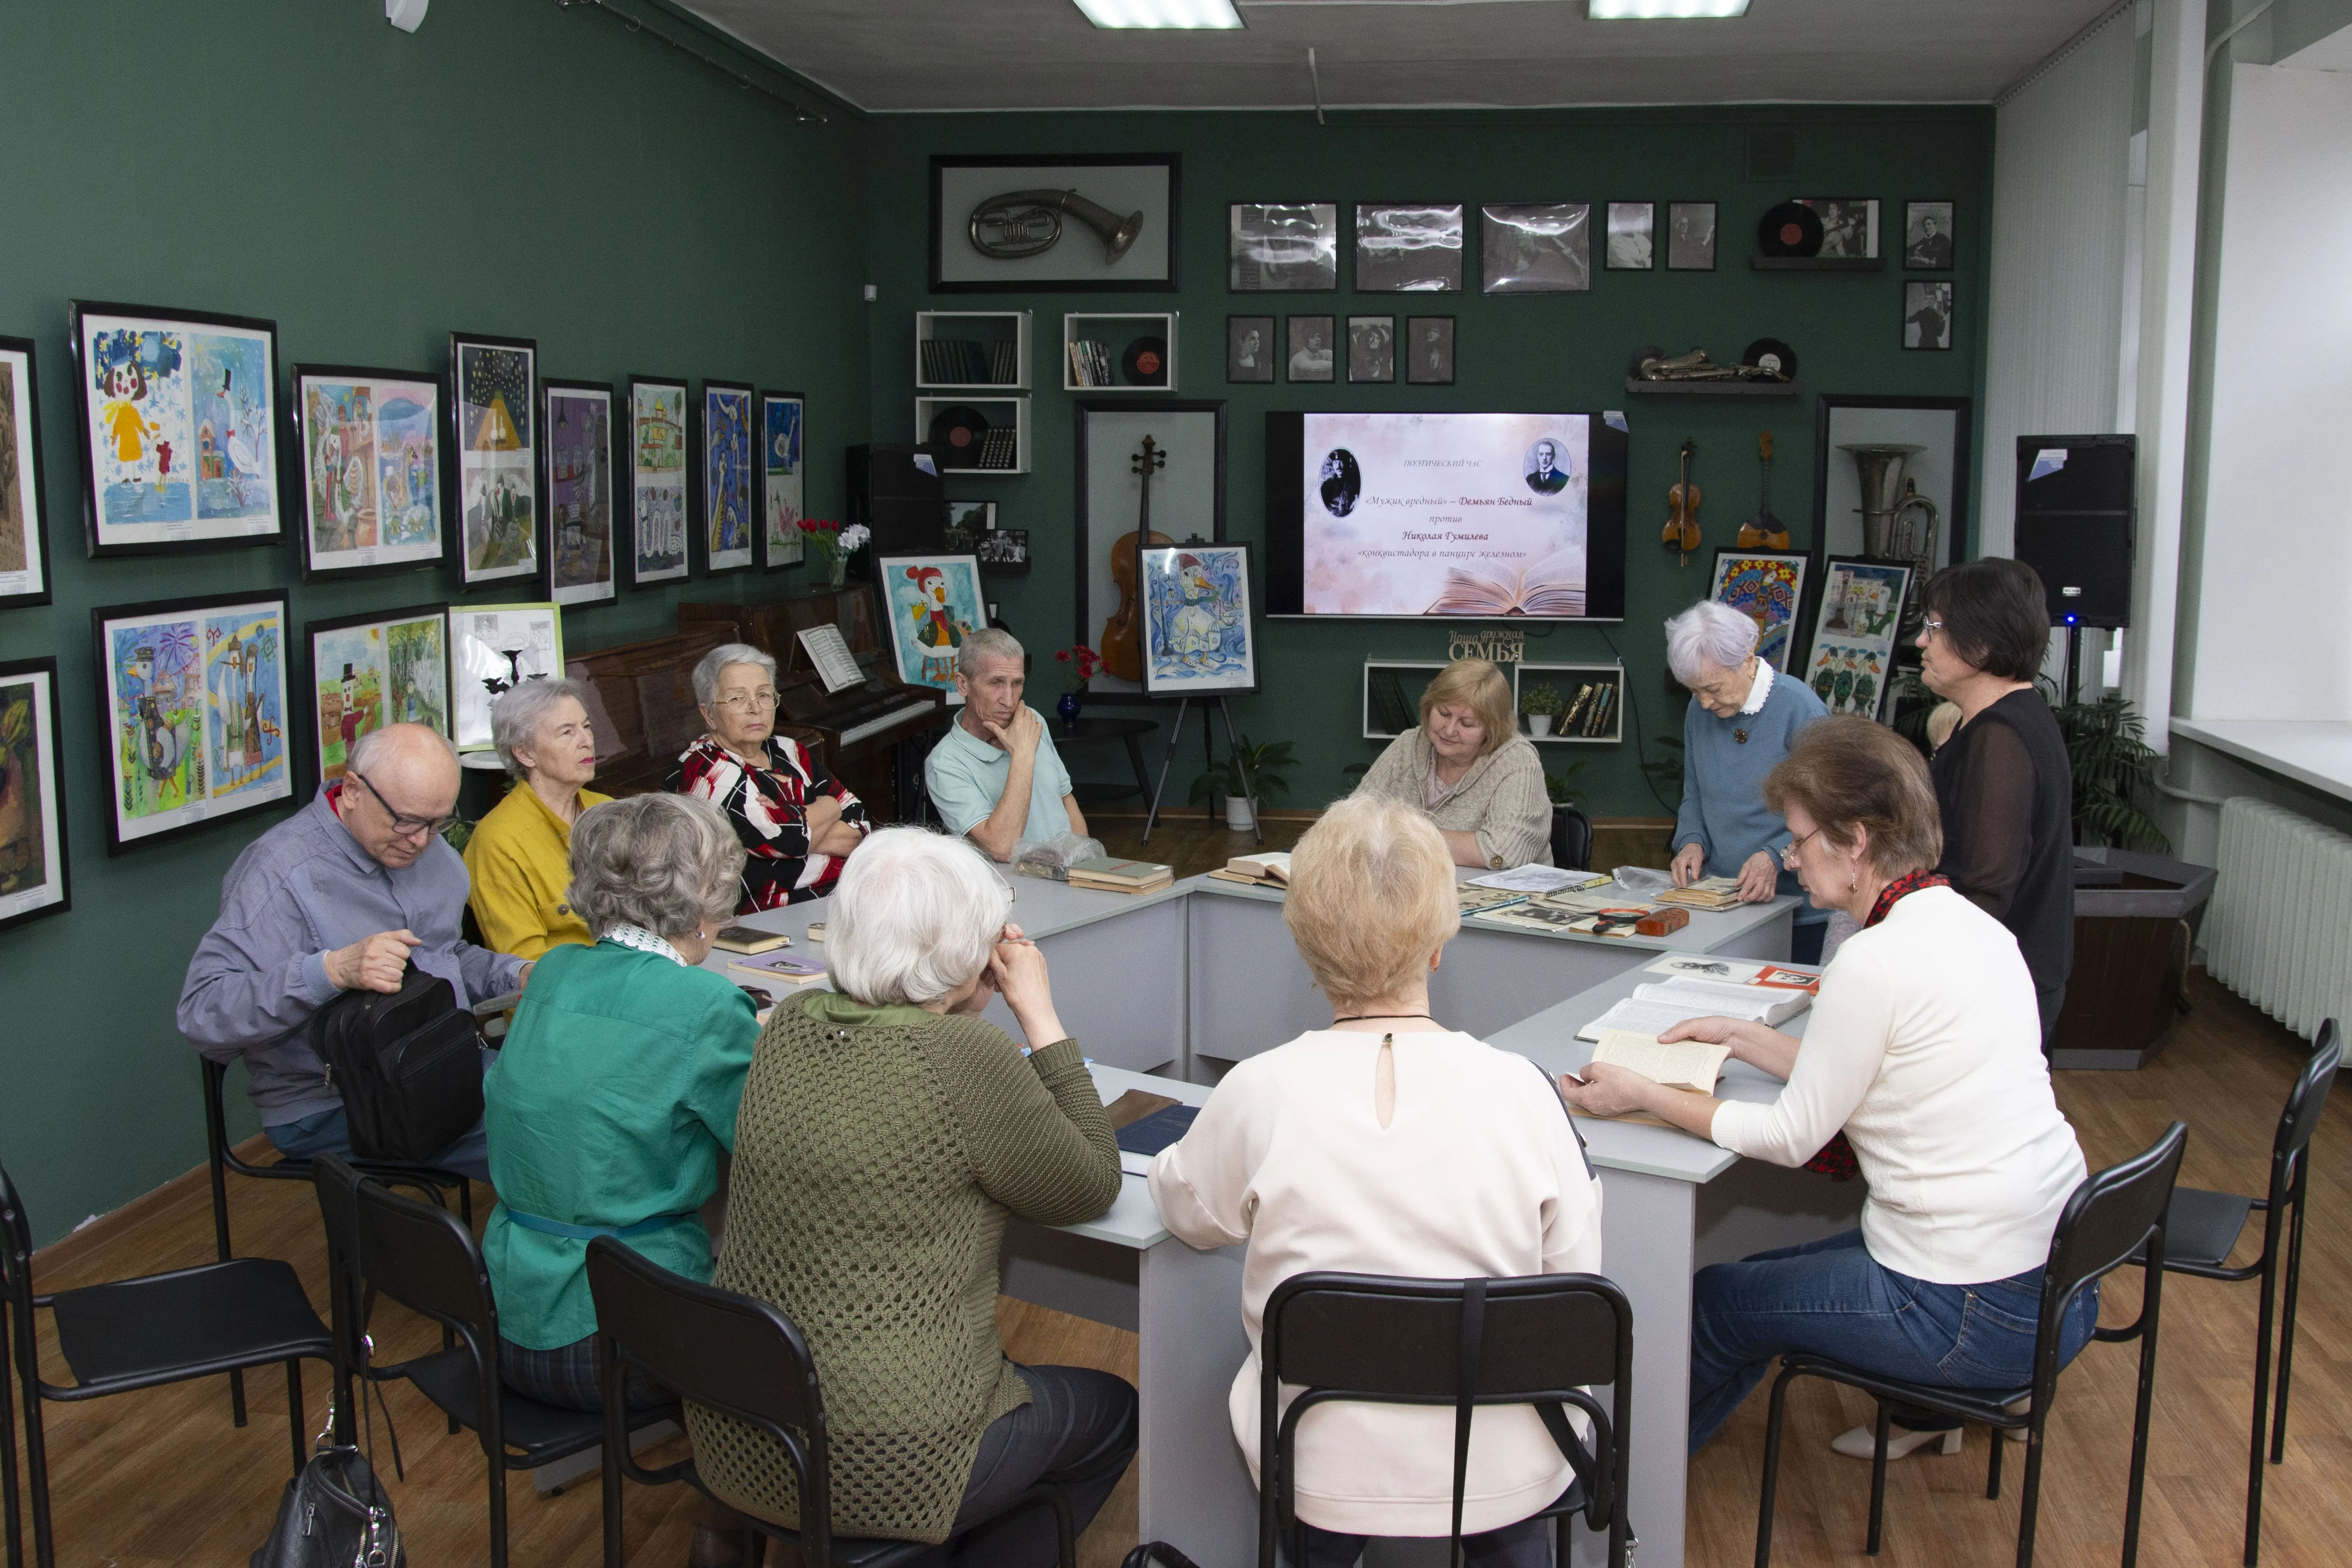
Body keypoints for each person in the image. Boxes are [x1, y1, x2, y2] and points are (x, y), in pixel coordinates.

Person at [1559, 719, 2093, 1461]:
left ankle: (1616, 1484)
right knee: (1754, 1278)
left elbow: (1790, 1136)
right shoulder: (1974, 929)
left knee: (1718, 1303)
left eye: (1800, 840)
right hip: (2058, 1286)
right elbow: (1890, 1069)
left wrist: (1644, 1094)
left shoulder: (1872, 961)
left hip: (1966, 1309)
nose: (1790, 859)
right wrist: (1742, 1035)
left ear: (1857, 841)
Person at [1151, 796, 1603, 1565]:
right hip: (1504, 1459)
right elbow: (1573, 1283)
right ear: (1438, 946)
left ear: (1307, 947)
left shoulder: (1260, 1089)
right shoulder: (1526, 1091)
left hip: (1320, 1462)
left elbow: (1188, 1210)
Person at [692, 828, 1132, 1564]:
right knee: (1115, 1413)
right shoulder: (966, 1055)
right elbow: (1091, 1181)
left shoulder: (787, 1026)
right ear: (964, 953)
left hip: (746, 1434)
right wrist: (1038, 1015)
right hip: (890, 1459)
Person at [482, 792, 752, 1566]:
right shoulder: (704, 1001)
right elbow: (764, 1146)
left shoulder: (556, 972)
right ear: (704, 895)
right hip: (611, 1338)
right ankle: (727, 1532)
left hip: (506, 1312)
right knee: (792, 1341)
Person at [178, 723, 529, 1182]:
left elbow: (444, 955)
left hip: (440, 1063)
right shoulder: (279, 873)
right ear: (352, 790)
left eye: (437, 821)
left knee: (572, 1102)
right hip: (335, 1100)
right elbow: (202, 1015)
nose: (422, 841)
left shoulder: (429, 850)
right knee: (541, 1141)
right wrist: (331, 971)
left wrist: (518, 974)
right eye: (406, 821)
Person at [1916, 558, 2075, 1039]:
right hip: (1999, 978)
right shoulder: (2005, 718)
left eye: (1934, 627)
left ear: (1981, 645)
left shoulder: (2001, 735)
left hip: (1995, 991)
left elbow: (1983, 890)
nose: (1921, 641)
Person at [1664, 600, 1831, 962]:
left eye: (1713, 688)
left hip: (1799, 909)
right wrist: (1691, 841)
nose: (1705, 703)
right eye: (1695, 691)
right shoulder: (1700, 711)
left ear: (1748, 661)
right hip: (1724, 902)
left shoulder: (1800, 709)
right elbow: (1694, 790)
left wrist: (1775, 856)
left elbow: (1828, 810)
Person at [671, 642, 868, 910]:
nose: (755, 708)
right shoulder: (707, 769)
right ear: (708, 714)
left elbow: (859, 828)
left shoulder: (788, 750)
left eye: (764, 695)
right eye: (737, 699)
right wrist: (830, 806)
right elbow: (788, 840)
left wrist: (790, 820)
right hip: (763, 916)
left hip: (839, 895)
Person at [1352, 658, 1551, 870]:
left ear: (1491, 730)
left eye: (1467, 723)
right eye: (1444, 713)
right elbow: (1354, 819)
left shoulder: (1517, 761)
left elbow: (1502, 851)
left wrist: (1403, 834)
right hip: (1414, 892)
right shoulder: (1409, 745)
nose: (1449, 730)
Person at [464, 678, 611, 958]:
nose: (586, 741)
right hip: (566, 993)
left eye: (587, 727)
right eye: (567, 732)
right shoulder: (497, 842)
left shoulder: (609, 812)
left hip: (636, 974)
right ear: (525, 753)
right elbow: (526, 966)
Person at [924, 629, 1088, 863]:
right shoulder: (945, 763)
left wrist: (1085, 865)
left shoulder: (1032, 721)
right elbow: (1003, 848)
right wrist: (1023, 754)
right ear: (963, 685)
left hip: (1069, 876)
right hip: (1012, 891)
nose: (1009, 700)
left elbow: (1066, 800)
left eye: (1017, 683)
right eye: (995, 683)